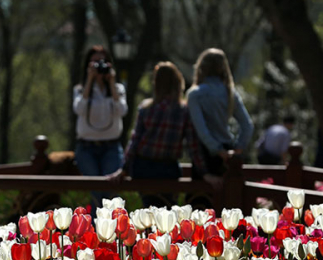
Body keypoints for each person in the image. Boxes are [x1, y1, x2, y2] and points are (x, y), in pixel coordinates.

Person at [108, 62, 208, 208]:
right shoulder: (184, 111)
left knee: (149, 207)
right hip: (168, 169)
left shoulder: (146, 108)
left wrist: (124, 169)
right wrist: (204, 172)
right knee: (167, 207)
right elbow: (193, 146)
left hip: (143, 168)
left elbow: (134, 141)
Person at [186, 48, 254, 185]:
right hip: (228, 151)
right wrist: (238, 149)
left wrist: (217, 150)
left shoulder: (195, 94)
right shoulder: (230, 92)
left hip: (205, 154)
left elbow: (201, 129)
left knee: (201, 202)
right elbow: (247, 125)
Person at [73, 45, 128, 213]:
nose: (99, 66)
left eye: (103, 62)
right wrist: (89, 81)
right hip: (87, 148)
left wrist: (111, 83)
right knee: (96, 191)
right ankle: (96, 234)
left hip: (111, 147)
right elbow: (79, 109)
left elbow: (122, 110)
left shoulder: (118, 89)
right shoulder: (80, 89)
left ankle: (107, 233)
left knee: (109, 191)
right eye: (95, 62)